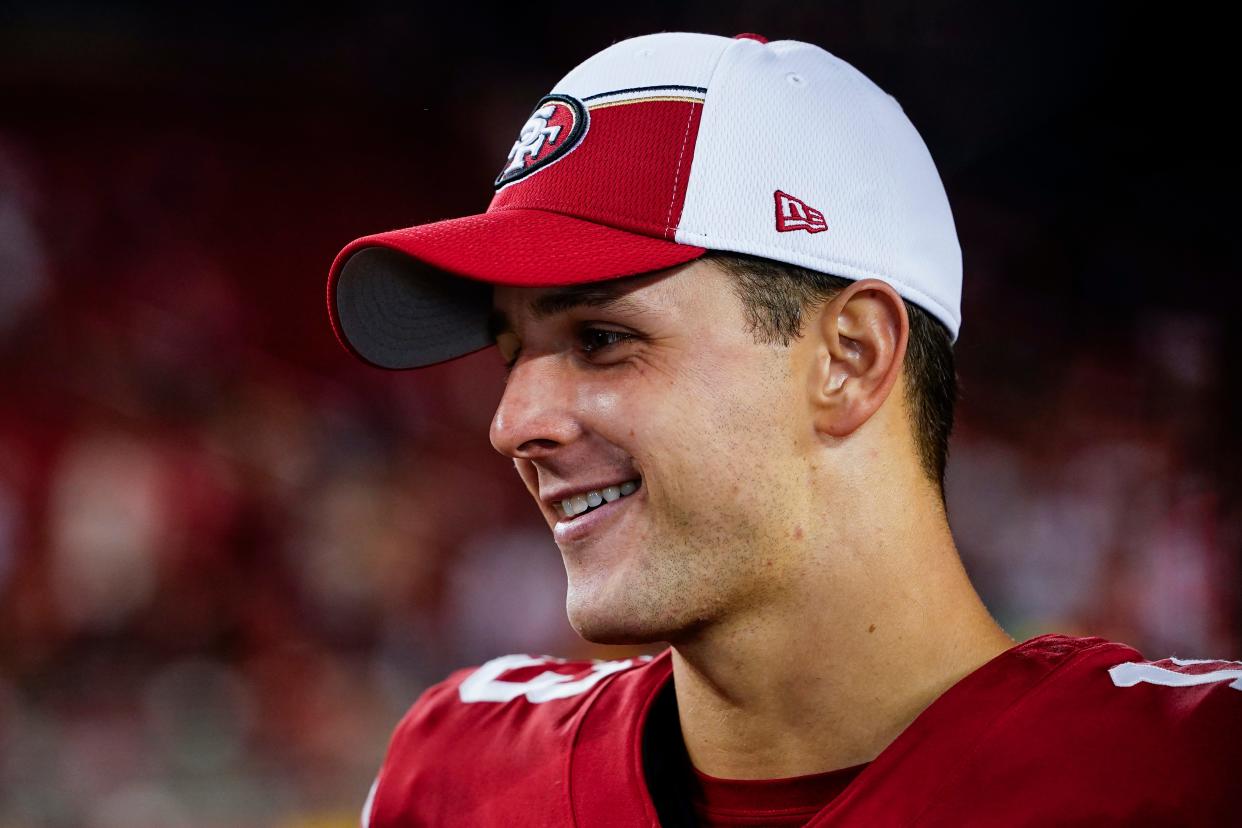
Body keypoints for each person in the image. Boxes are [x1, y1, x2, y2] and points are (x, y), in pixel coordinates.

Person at [326, 31, 1240, 827]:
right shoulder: (456, 771)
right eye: (509, 355)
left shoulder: (1195, 775)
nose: (512, 424)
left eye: (602, 340)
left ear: (849, 357)